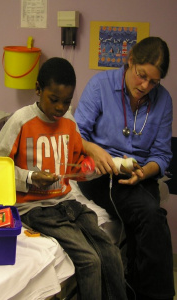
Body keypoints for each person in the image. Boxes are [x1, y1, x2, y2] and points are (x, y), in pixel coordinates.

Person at [0, 57, 128, 300]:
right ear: (37, 89)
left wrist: (96, 168)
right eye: (53, 100)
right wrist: (31, 178)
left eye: (66, 102)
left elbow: (76, 166)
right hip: (34, 208)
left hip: (66, 203)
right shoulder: (21, 121)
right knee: (89, 261)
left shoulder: (69, 122)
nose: (59, 108)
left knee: (110, 253)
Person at [74, 37, 175, 300]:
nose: (145, 86)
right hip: (100, 173)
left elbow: (162, 155)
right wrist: (94, 150)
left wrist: (145, 172)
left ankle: (131, 289)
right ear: (130, 61)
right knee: (151, 215)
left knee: (149, 217)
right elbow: (75, 136)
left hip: (140, 176)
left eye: (153, 82)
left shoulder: (163, 101)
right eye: (142, 76)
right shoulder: (100, 86)